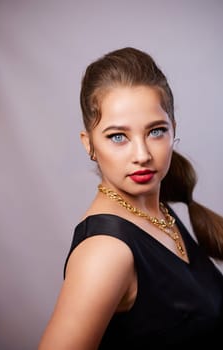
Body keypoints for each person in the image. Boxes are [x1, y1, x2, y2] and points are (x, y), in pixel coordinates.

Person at [38, 47, 223, 350]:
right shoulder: (106, 252)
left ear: (173, 129)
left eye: (156, 131)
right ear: (89, 144)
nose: (142, 155)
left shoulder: (159, 213)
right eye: (117, 136)